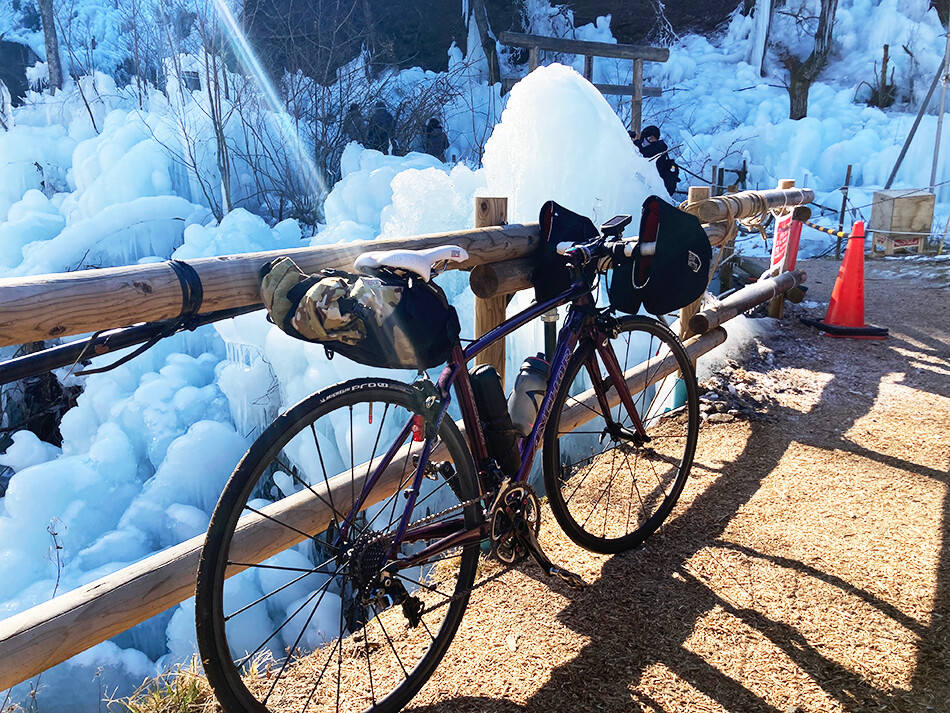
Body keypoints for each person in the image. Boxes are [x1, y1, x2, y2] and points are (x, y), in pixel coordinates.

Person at [632, 125, 679, 197]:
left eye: (643, 138)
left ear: (651, 138)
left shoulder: (658, 149)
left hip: (654, 192)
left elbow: (640, 154)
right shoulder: (658, 148)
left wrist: (636, 142)